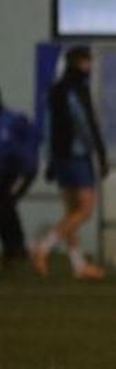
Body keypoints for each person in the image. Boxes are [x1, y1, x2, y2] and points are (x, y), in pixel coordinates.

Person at [33, 46, 107, 279]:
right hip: (77, 155)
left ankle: (78, 265)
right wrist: (98, 151)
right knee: (85, 209)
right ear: (80, 63)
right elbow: (82, 122)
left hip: (60, 156)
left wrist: (50, 159)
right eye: (87, 62)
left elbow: (48, 126)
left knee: (71, 212)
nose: (90, 66)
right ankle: (44, 247)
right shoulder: (76, 89)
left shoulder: (55, 90)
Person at [0, 90, 41, 269]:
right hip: (4, 174)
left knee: (5, 204)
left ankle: (16, 250)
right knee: (5, 206)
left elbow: (34, 140)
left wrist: (28, 167)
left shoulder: (15, 120)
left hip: (18, 173)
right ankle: (14, 250)